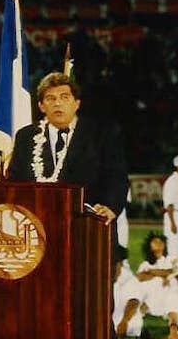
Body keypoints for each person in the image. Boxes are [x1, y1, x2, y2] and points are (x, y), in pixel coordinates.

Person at [8, 72, 129, 225]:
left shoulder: (101, 134)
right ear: (41, 106)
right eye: (50, 98)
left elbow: (117, 176)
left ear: (76, 103)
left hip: (89, 226)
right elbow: (15, 181)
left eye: (64, 97)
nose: (57, 103)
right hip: (37, 226)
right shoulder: (26, 137)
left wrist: (111, 207)